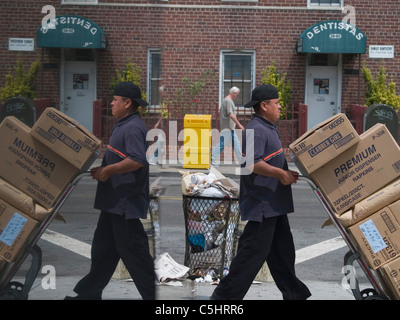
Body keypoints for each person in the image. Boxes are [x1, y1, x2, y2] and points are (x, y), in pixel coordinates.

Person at [211, 84, 311, 300]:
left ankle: (294, 294)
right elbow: (250, 163)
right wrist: (280, 174)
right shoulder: (256, 130)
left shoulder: (267, 127)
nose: (280, 106)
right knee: (250, 256)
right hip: (263, 206)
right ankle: (222, 299)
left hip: (274, 204)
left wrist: (286, 171)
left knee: (282, 253)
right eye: (276, 103)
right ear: (264, 106)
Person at [65, 82, 156, 300]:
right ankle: (89, 294)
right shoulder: (123, 124)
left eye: (115, 100)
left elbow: (136, 160)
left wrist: (107, 171)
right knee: (103, 252)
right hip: (113, 202)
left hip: (125, 203)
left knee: (136, 255)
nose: (112, 103)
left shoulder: (133, 127)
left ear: (128, 103)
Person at [211, 86, 244, 166]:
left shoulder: (227, 100)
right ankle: (211, 159)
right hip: (227, 127)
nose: (237, 96)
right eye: (237, 95)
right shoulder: (228, 101)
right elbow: (230, 114)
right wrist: (239, 124)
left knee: (236, 144)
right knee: (222, 144)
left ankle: (241, 161)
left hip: (230, 127)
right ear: (233, 93)